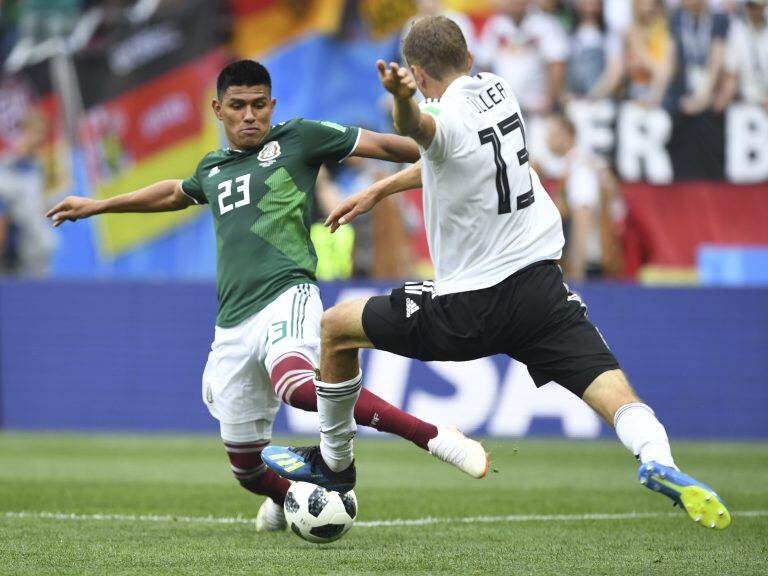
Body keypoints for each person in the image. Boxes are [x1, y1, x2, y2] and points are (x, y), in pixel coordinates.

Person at [263, 16, 732, 531]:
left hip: (471, 305)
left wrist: (402, 101)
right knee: (616, 393)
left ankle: (335, 467)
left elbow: (420, 131)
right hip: (541, 291)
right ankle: (657, 458)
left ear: (418, 75)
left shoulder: (439, 114)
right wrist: (381, 188)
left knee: (334, 329)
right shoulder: (499, 91)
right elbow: (450, 157)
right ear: (469, 58)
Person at [46, 59, 487, 532]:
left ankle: (434, 436)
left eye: (259, 105)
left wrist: (445, 146)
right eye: (238, 106)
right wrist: (99, 205)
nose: (250, 115)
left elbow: (390, 146)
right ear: (218, 109)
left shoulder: (299, 137)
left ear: (272, 105)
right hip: (233, 322)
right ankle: (294, 495)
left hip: (288, 292)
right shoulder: (212, 168)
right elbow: (175, 192)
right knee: (246, 469)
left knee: (296, 386)